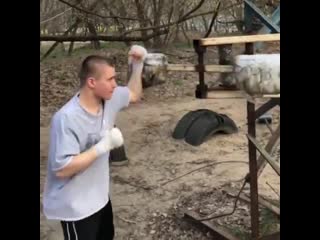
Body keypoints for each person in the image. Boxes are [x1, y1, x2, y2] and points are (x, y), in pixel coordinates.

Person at [42, 45, 148, 240]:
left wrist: (138, 65)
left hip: (100, 199)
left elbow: (134, 94)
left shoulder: (110, 98)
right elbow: (63, 168)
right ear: (91, 82)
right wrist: (103, 146)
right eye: (110, 79)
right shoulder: (66, 118)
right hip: (76, 207)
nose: (115, 84)